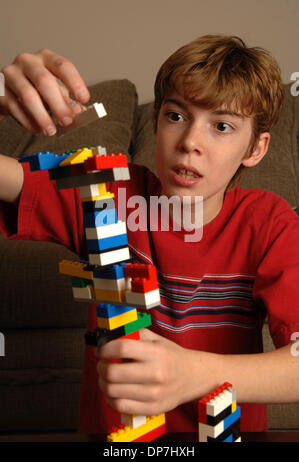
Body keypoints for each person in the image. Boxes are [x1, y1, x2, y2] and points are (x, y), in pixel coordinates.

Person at [0, 36, 298, 435]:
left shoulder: (269, 223)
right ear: (156, 122)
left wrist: (195, 374)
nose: (190, 143)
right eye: (176, 116)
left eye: (222, 126)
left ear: (256, 148)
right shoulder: (105, 191)